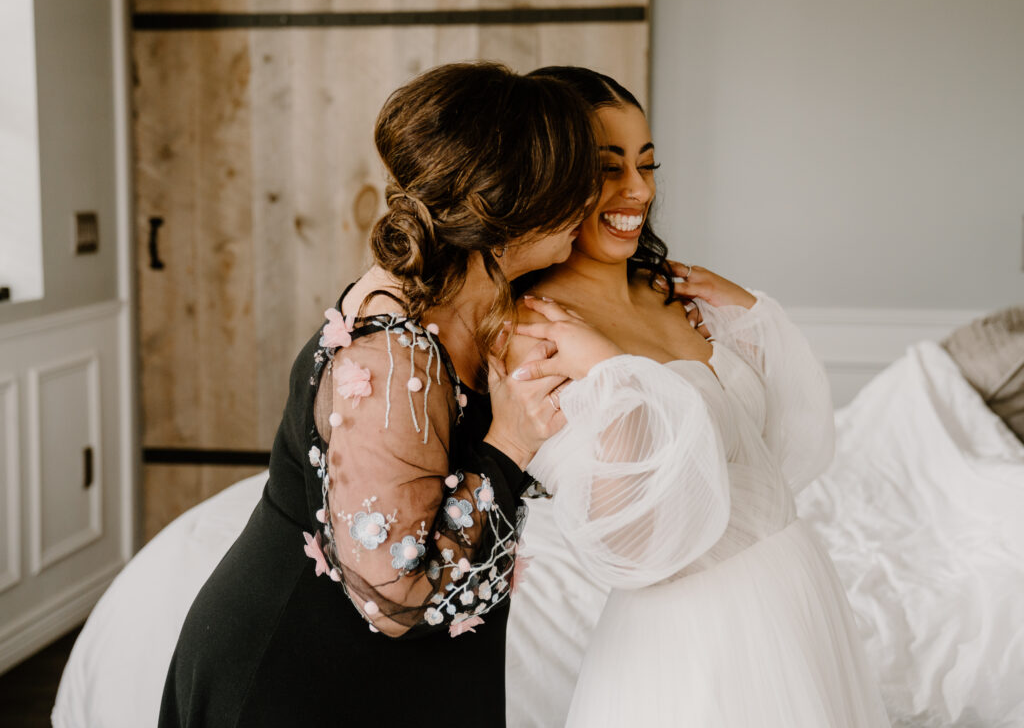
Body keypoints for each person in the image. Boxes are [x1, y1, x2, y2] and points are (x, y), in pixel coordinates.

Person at [159, 62, 600, 727]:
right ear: (512, 205)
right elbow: (395, 595)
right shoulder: (390, 354)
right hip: (302, 684)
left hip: (392, 681)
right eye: (578, 178)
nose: (594, 195)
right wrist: (508, 444)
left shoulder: (479, 300)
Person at [507, 66, 891, 726]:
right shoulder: (536, 332)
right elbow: (630, 539)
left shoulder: (671, 293)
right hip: (698, 631)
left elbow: (780, 449)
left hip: (795, 584)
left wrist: (748, 313)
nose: (639, 190)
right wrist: (612, 370)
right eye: (609, 168)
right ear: (550, 176)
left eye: (648, 164)